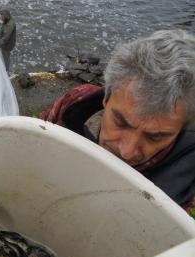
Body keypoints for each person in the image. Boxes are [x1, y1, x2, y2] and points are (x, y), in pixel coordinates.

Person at [40, 29, 195, 214]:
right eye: (121, 122)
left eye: (155, 137)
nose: (127, 152)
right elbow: (34, 143)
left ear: (183, 128)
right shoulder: (73, 104)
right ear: (106, 96)